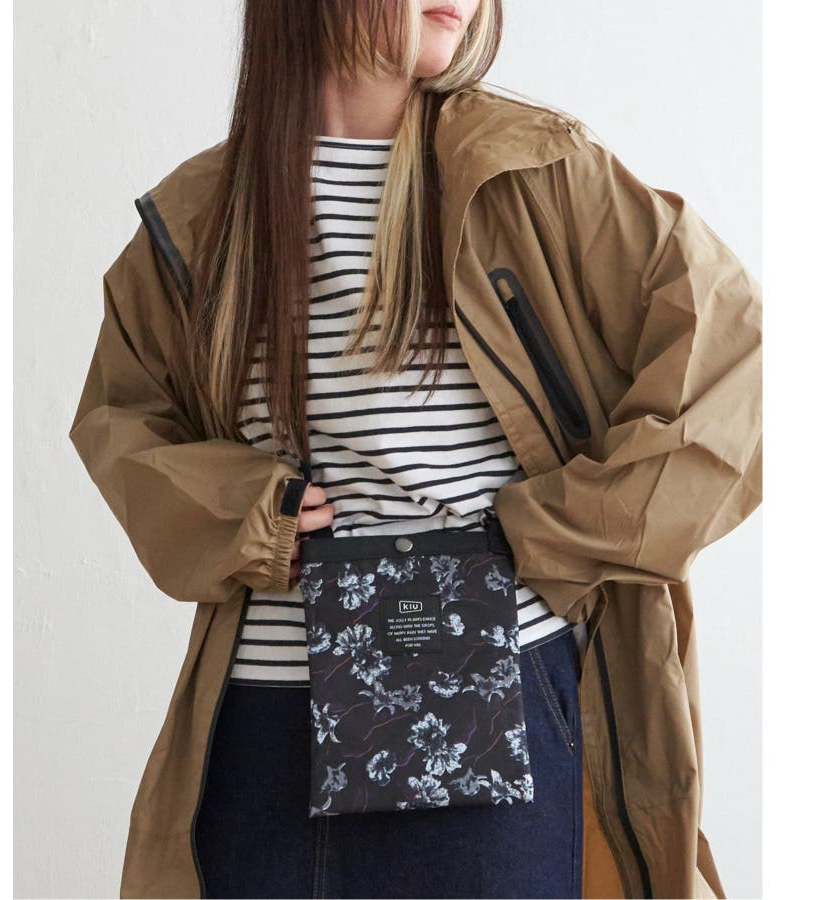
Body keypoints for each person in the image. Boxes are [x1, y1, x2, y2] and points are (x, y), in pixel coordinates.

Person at [69, 1, 761, 898]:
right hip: (265, 732)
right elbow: (121, 421)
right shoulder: (199, 217)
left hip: (490, 711)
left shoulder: (534, 174)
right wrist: (245, 511)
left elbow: (732, 364)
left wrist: (554, 532)